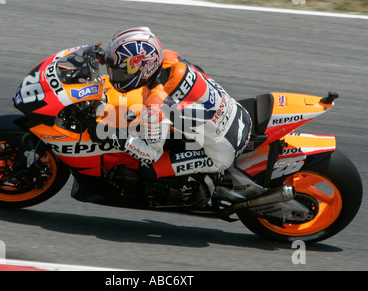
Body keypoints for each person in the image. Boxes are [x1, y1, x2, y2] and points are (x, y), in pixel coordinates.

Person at [91, 27, 252, 206]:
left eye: (122, 72)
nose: (117, 77)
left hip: (222, 151)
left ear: (143, 69)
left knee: (149, 169)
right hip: (237, 115)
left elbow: (151, 153)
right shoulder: (169, 58)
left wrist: (116, 136)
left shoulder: (156, 105)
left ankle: (193, 192)